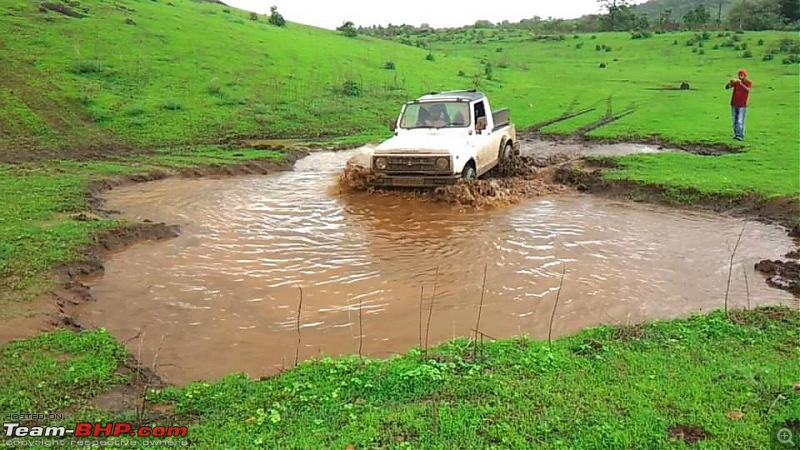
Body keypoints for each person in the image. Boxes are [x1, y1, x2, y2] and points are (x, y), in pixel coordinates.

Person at [725, 69, 752, 141]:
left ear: (745, 76)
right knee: (734, 120)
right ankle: (736, 134)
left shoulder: (748, 83)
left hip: (742, 105)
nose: (740, 77)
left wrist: (741, 84)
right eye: (739, 75)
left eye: (742, 75)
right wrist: (730, 82)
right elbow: (727, 87)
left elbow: (748, 90)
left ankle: (740, 135)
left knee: (740, 120)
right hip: (734, 103)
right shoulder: (736, 83)